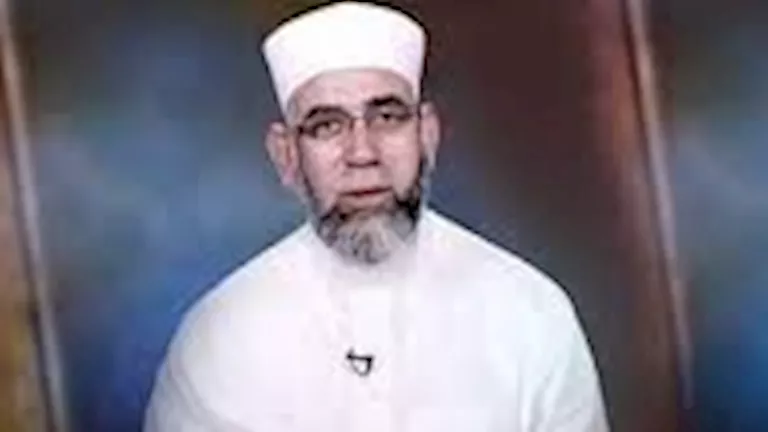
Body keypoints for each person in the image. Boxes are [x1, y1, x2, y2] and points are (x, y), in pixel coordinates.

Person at [144, 2, 609, 431]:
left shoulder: (531, 314)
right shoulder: (217, 341)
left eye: (387, 117)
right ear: (286, 156)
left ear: (426, 136)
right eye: (326, 126)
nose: (362, 153)